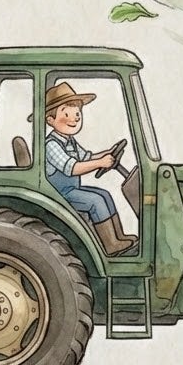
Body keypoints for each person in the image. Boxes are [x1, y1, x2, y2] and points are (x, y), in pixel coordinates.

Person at [41, 80, 135, 255]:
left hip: (70, 189)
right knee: (95, 201)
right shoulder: (51, 145)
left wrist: (107, 153)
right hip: (58, 194)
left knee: (104, 194)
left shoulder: (69, 141)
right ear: (50, 120)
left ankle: (119, 237)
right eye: (67, 113)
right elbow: (72, 168)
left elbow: (86, 157)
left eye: (77, 113)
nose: (75, 117)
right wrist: (100, 163)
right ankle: (110, 245)